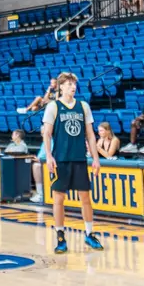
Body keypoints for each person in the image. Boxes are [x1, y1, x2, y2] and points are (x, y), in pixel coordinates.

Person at [43, 70, 103, 254]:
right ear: (61, 87)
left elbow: (91, 135)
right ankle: (60, 236)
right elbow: (46, 133)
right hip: (60, 158)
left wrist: (95, 158)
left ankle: (89, 234)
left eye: (74, 84)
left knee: (86, 197)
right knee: (59, 199)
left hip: (79, 158)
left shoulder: (83, 106)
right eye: (69, 84)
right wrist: (49, 156)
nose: (73, 87)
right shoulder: (53, 106)